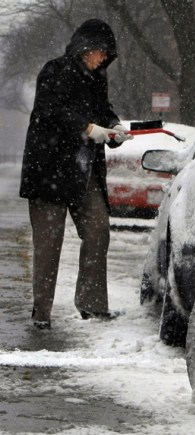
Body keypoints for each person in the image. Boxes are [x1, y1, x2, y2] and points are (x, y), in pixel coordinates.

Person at [19, 18, 133, 329]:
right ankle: (41, 313)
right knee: (48, 244)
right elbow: (51, 112)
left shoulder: (98, 79)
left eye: (106, 55)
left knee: (98, 231)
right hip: (49, 171)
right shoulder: (54, 71)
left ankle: (92, 306)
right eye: (99, 52)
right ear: (84, 48)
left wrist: (115, 126)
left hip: (85, 172)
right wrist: (88, 128)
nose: (102, 59)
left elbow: (103, 109)